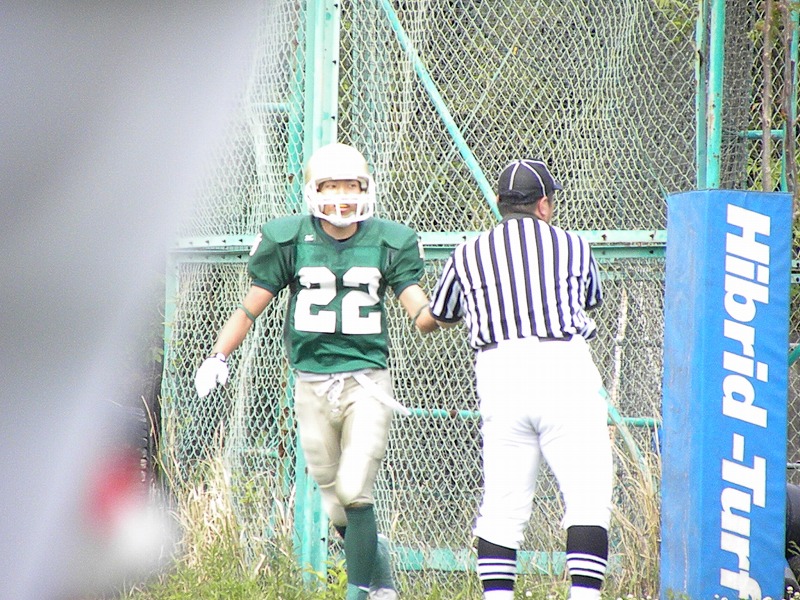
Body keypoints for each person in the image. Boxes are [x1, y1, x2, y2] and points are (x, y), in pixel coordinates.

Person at [194, 142, 439, 600]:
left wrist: (446, 310)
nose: (342, 196)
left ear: (365, 189)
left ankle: (358, 593)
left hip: (366, 380)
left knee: (354, 488)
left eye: (351, 186)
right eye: (331, 186)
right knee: (336, 503)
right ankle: (380, 575)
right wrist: (218, 355)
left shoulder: (388, 240)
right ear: (313, 191)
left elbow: (421, 316)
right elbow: (250, 307)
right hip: (309, 381)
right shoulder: (290, 239)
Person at [416, 159, 613, 600]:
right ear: (543, 205)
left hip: (500, 374)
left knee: (503, 507)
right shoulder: (573, 244)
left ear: (500, 203)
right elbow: (589, 299)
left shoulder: (468, 252)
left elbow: (441, 314)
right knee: (586, 498)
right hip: (563, 369)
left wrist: (416, 305)